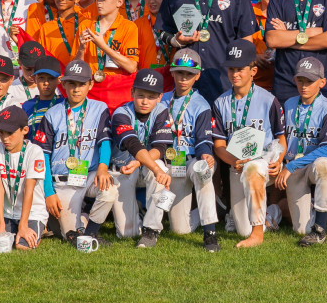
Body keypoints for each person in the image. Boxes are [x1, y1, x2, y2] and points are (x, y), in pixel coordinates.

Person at [157, 0, 258, 104]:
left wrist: (245, 78)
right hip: (186, 79)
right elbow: (163, 31)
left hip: (224, 80)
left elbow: (246, 40)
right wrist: (176, 40)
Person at [211, 39, 286, 249]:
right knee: (240, 228)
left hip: (263, 162)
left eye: (241, 69)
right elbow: (218, 146)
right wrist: (234, 160)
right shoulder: (220, 103)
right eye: (231, 69)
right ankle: (270, 213)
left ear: (253, 70)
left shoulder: (269, 99)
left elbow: (281, 138)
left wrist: (279, 159)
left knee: (254, 167)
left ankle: (257, 235)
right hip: (237, 165)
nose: (235, 74)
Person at [35, 59, 114, 243]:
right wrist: (49, 192)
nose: (76, 89)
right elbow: (43, 155)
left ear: (90, 84)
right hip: (62, 182)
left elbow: (105, 142)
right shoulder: (52, 114)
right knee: (69, 234)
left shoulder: (99, 108)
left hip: (89, 175)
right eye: (72, 83)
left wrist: (103, 167)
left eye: (81, 84)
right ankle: (79, 227)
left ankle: (90, 233)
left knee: (110, 190)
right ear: (63, 84)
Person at [276, 56, 327, 246]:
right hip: (293, 165)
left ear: (322, 82)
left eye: (310, 81)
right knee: (301, 230)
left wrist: (292, 165)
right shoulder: (288, 104)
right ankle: (299, 211)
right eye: (300, 80)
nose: (304, 86)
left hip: (310, 163)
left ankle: (320, 229)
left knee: (324, 166)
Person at [108, 69, 175, 247]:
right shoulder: (121, 112)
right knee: (126, 233)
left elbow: (160, 147)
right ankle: (139, 211)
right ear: (132, 93)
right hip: (123, 170)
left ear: (160, 97)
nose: (145, 101)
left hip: (141, 166)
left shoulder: (161, 111)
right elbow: (132, 144)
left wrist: (148, 166)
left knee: (159, 167)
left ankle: (151, 230)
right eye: (141, 95)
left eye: (151, 96)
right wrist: (152, 166)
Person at [161, 49, 219, 251]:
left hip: (193, 160)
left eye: (189, 75)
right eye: (180, 73)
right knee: (180, 230)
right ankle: (204, 214)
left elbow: (204, 139)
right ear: (172, 73)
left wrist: (206, 154)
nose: (183, 79)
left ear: (197, 76)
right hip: (171, 164)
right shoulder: (161, 100)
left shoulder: (201, 104)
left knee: (203, 171)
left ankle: (210, 231)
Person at [0, 105, 47, 250]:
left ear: (25, 130)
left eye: (10, 133)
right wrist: (0, 224)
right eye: (1, 133)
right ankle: (6, 225)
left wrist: (23, 225)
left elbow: (28, 190)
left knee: (22, 246)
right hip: (8, 213)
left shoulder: (35, 152)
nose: (5, 138)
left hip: (32, 213)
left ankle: (40, 226)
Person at [77, 0, 139, 111]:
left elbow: (131, 67)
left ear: (119, 2)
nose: (99, 2)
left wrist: (103, 46)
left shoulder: (129, 27)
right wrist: (81, 49)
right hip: (91, 91)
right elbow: (77, 67)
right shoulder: (85, 25)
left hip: (117, 93)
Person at [36, 0, 84, 68]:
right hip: (56, 77)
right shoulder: (46, 28)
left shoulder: (86, 23)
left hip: (80, 76)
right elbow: (42, 58)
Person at [250, 0, 281, 91]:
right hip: (254, 85)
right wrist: (253, 57)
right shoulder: (249, 13)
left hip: (280, 83)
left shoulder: (287, 15)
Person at [22, 55, 63, 139]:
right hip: (32, 151)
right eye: (41, 78)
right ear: (34, 79)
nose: (46, 83)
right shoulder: (27, 106)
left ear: (59, 80)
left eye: (51, 78)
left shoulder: (64, 103)